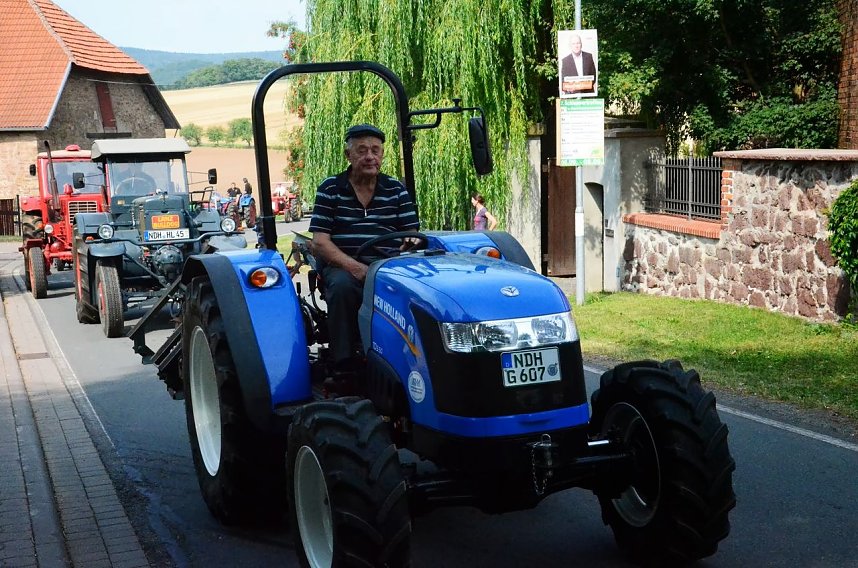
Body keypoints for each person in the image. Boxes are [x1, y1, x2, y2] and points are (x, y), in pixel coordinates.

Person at [309, 123, 419, 383]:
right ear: (348, 155)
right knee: (342, 287)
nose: (370, 156)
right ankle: (344, 364)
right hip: (343, 265)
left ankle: (410, 358)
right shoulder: (330, 188)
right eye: (362, 150)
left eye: (375, 150)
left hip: (387, 264)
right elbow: (320, 242)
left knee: (415, 290)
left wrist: (411, 240)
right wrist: (357, 269)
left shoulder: (395, 189)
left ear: (382, 154)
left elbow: (411, 231)